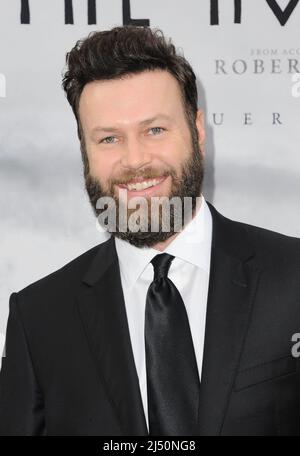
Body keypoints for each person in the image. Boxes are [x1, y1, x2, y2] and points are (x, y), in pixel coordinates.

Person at [0, 25, 300, 436]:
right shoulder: (38, 320)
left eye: (154, 130)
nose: (135, 160)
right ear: (84, 152)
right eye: (108, 138)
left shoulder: (293, 276)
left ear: (197, 132)